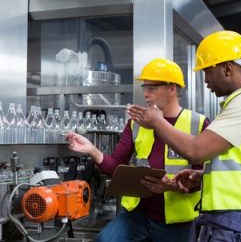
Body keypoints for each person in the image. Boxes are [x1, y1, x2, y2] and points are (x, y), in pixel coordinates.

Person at [127, 30, 241, 242]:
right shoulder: (240, 101)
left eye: (208, 72)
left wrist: (157, 121)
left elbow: (196, 151)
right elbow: (239, 161)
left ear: (227, 69)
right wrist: (203, 178)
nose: (206, 81)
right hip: (232, 218)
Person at [66, 58, 209, 242]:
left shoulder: (197, 123)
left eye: (152, 88)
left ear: (172, 89)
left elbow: (206, 177)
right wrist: (92, 149)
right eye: (145, 88)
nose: (146, 94)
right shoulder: (136, 123)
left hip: (179, 222)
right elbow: (115, 167)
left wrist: (173, 185)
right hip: (137, 216)